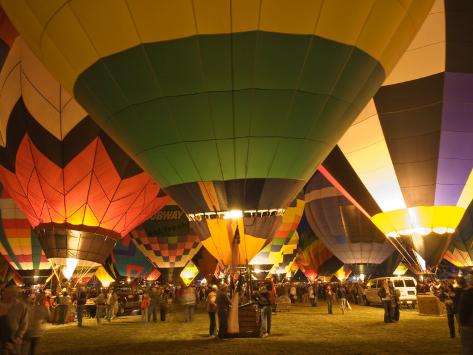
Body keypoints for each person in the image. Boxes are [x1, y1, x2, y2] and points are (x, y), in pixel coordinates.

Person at [0, 285, 29, 354]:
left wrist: (19, 336)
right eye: (5, 292)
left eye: (11, 293)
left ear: (16, 294)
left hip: (14, 340)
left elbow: (24, 323)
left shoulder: (21, 306)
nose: (6, 294)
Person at [459, 274, 473, 354]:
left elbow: (463, 312)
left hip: (469, 325)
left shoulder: (467, 294)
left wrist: (463, 323)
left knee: (468, 349)